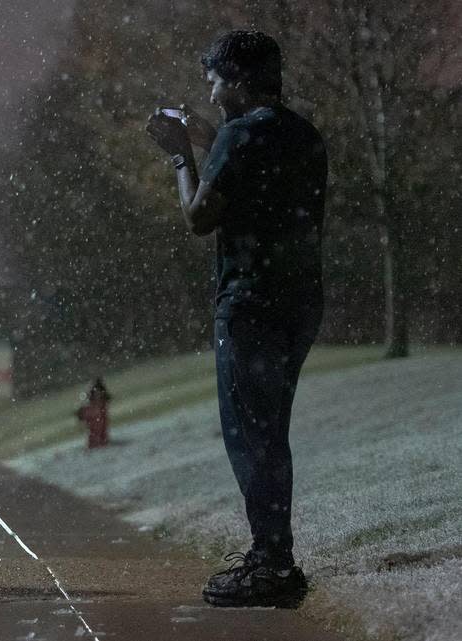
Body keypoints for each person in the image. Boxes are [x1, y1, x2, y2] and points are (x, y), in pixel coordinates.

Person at [145, 30, 327, 608]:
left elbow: (200, 216)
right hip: (298, 298)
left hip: (248, 301)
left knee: (251, 435)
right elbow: (261, 179)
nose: (213, 91)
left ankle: (271, 564)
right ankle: (275, 557)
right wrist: (208, 136)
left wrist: (181, 154)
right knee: (272, 431)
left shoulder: (240, 136)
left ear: (240, 81)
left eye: (218, 81)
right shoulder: (301, 134)